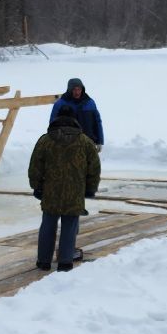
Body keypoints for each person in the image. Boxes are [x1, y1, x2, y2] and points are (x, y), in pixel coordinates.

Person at [27, 104, 101, 272]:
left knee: (48, 225)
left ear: (57, 118)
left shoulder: (45, 140)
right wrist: (90, 188)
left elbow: (35, 166)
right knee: (69, 226)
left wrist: (36, 186)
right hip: (75, 192)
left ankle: (43, 261)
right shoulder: (85, 142)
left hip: (50, 191)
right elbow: (94, 168)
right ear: (74, 119)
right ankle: (65, 262)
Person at [49, 77, 104, 148]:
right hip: (67, 145)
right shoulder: (60, 104)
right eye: (74, 89)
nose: (77, 92)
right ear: (69, 90)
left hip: (88, 143)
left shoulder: (90, 103)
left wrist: (100, 141)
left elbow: (97, 122)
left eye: (79, 89)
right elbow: (52, 124)